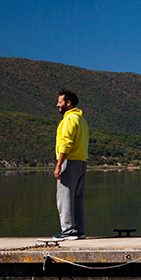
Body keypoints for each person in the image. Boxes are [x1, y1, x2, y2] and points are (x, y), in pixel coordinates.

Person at [53, 88, 89, 240]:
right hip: (81, 162)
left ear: (68, 103)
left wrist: (59, 164)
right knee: (77, 197)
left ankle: (68, 231)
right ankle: (79, 230)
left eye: (60, 102)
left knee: (65, 196)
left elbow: (66, 143)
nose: (57, 105)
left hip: (70, 161)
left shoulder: (68, 120)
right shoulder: (81, 120)